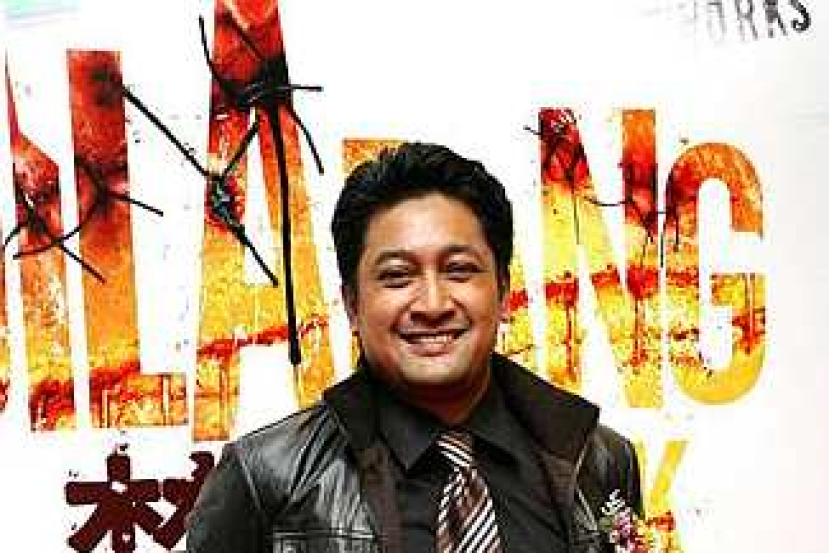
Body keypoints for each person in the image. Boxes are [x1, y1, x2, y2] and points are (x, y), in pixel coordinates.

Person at [186, 142, 643, 553]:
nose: (432, 304)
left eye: (459, 270)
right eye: (397, 276)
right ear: (352, 305)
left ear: (504, 292)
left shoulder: (600, 461)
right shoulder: (266, 476)